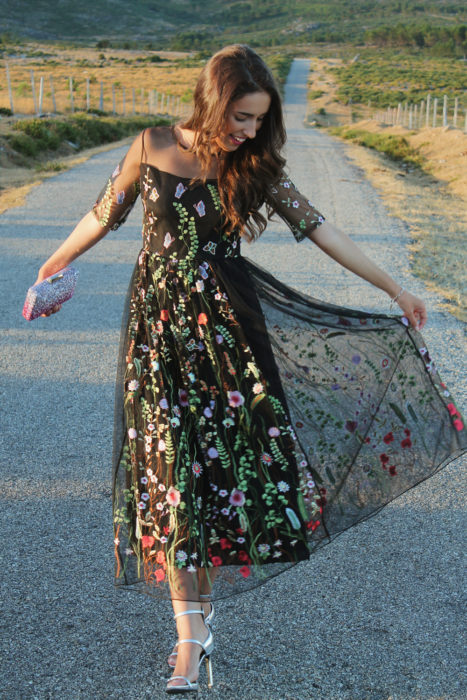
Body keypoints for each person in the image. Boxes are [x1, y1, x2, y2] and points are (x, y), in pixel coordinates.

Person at [34, 45, 465, 694]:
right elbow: (103, 212)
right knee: (168, 474)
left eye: (259, 120)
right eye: (241, 116)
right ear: (212, 99)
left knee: (217, 477)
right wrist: (52, 261)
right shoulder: (149, 146)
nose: (248, 131)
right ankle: (190, 636)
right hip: (157, 337)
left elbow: (321, 231)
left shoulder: (253, 166)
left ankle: (195, 630)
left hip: (231, 337)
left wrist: (393, 290)